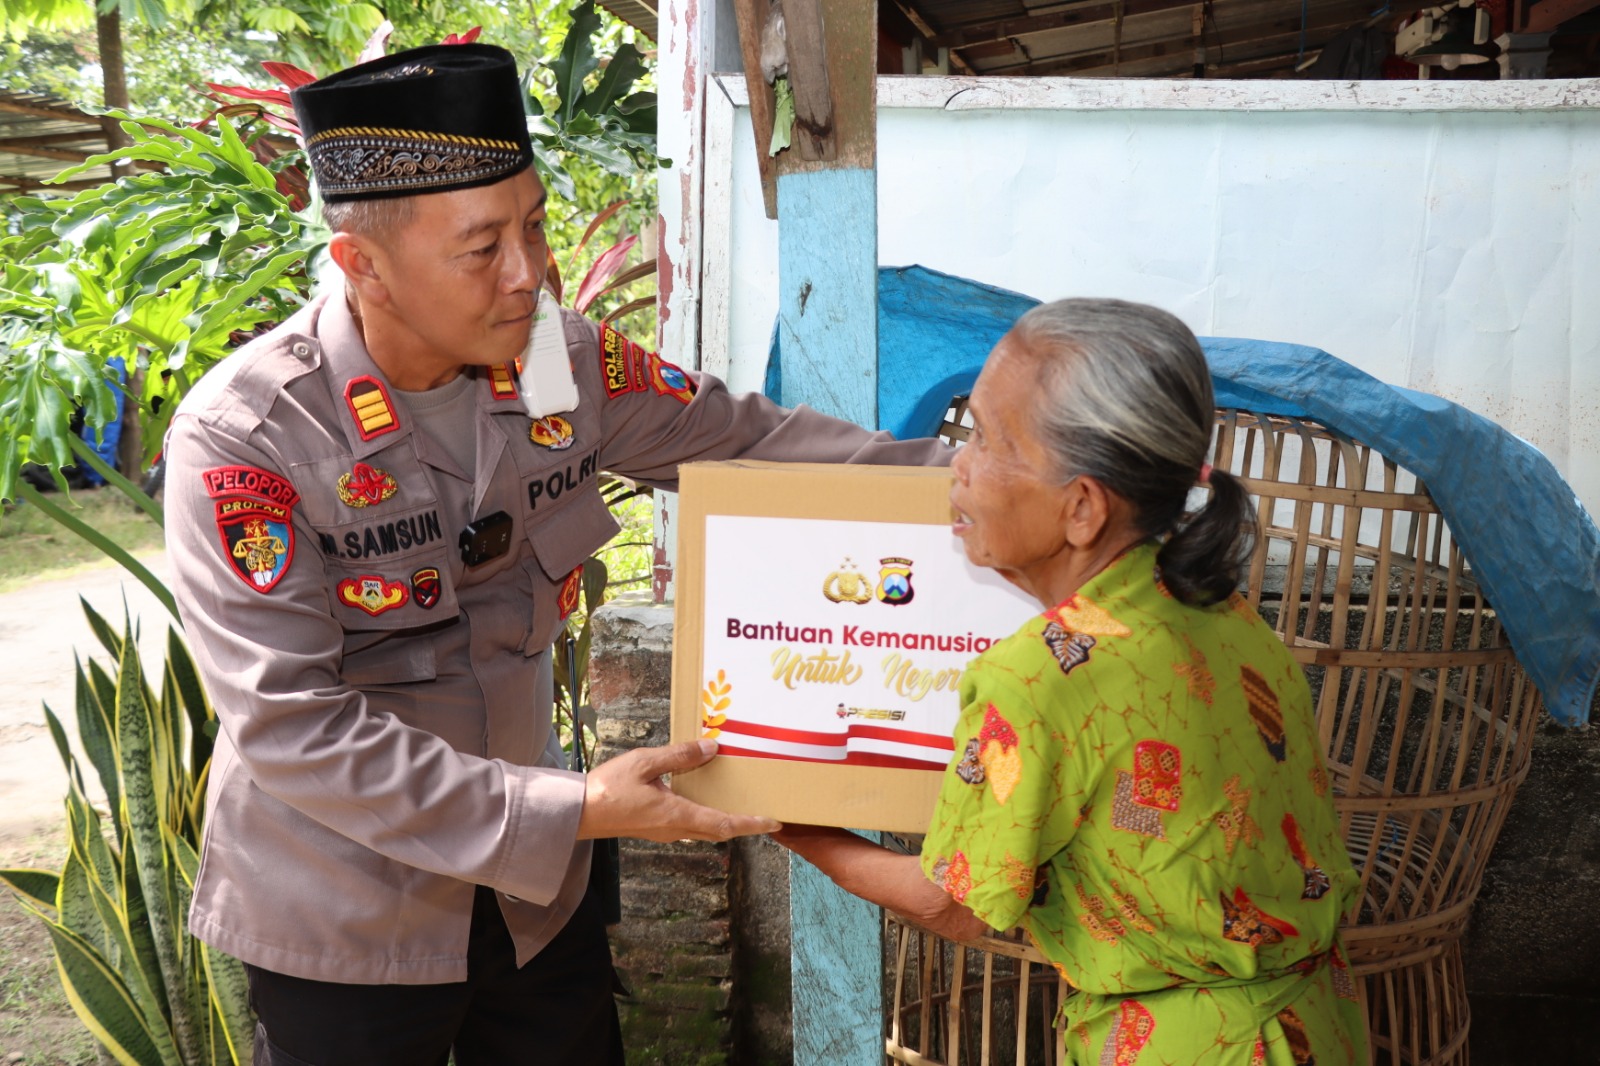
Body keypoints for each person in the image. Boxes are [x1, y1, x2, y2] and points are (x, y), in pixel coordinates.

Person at [162, 42, 948, 1066]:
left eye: (533, 226)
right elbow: (294, 727)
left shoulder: (555, 359)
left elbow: (752, 447)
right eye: (482, 247)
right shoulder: (249, 436)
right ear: (365, 266)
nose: (529, 271)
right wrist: (575, 805)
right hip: (344, 910)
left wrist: (974, 486)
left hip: (534, 892)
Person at [775, 298, 1369, 1065]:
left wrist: (783, 819)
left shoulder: (1033, 677)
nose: (957, 461)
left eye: (986, 439)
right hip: (1315, 1028)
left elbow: (949, 904)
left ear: (1083, 507)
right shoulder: (1220, 608)